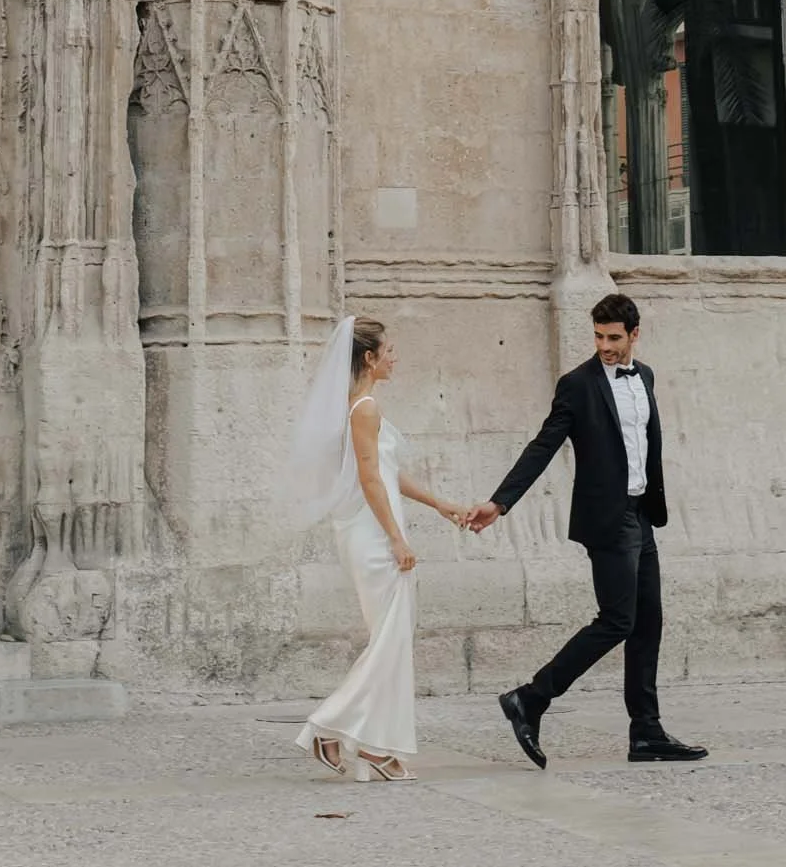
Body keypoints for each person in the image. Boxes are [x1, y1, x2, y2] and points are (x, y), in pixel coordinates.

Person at [464, 293, 707, 769]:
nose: (605, 346)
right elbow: (543, 445)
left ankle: (647, 733)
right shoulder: (577, 385)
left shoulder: (647, 377)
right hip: (607, 519)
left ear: (635, 334)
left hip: (641, 515)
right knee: (617, 621)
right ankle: (531, 698)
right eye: (598, 336)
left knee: (648, 622)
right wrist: (501, 501)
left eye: (614, 337)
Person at [292, 315, 470, 781]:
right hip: (372, 534)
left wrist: (438, 503)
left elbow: (387, 472)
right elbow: (370, 479)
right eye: (388, 350)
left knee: (393, 638)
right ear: (369, 358)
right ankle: (330, 727)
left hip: (372, 528)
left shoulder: (364, 405)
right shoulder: (364, 408)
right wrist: (395, 537)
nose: (395, 356)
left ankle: (372, 744)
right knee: (390, 638)